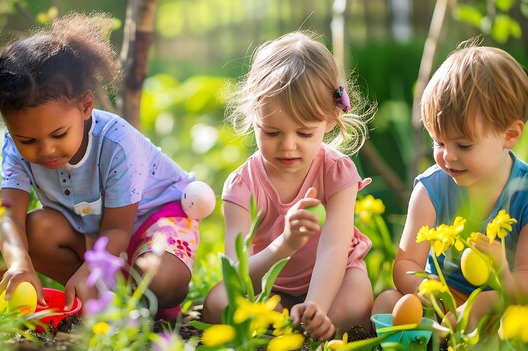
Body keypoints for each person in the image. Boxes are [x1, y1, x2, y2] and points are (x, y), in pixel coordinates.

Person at [0, 14, 203, 317]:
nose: (46, 149)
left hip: (154, 222)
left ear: (86, 106)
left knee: (161, 278)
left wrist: (94, 267)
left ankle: (147, 301)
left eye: (58, 134)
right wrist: (18, 262)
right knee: (35, 231)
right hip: (96, 233)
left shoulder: (117, 144)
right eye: (27, 139)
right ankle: (116, 301)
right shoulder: (14, 147)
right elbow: (10, 217)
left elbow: (119, 228)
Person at [201, 31, 375, 341]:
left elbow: (334, 248)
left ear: (332, 119)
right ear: (253, 117)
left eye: (304, 134)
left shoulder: (337, 172)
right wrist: (286, 244)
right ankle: (293, 326)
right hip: (271, 288)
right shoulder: (242, 186)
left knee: (358, 298)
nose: (288, 146)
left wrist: (316, 306)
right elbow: (236, 276)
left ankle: (313, 324)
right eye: (271, 132)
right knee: (217, 304)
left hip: (333, 281)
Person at [372, 43, 528, 331]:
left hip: (501, 302)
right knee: (386, 302)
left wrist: (500, 273)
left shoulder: (524, 193)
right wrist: (431, 292)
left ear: (510, 135)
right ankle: (439, 336)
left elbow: (523, 287)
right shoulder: (431, 188)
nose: (448, 156)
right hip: (443, 300)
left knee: (499, 312)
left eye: (464, 145)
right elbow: (406, 263)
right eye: (439, 142)